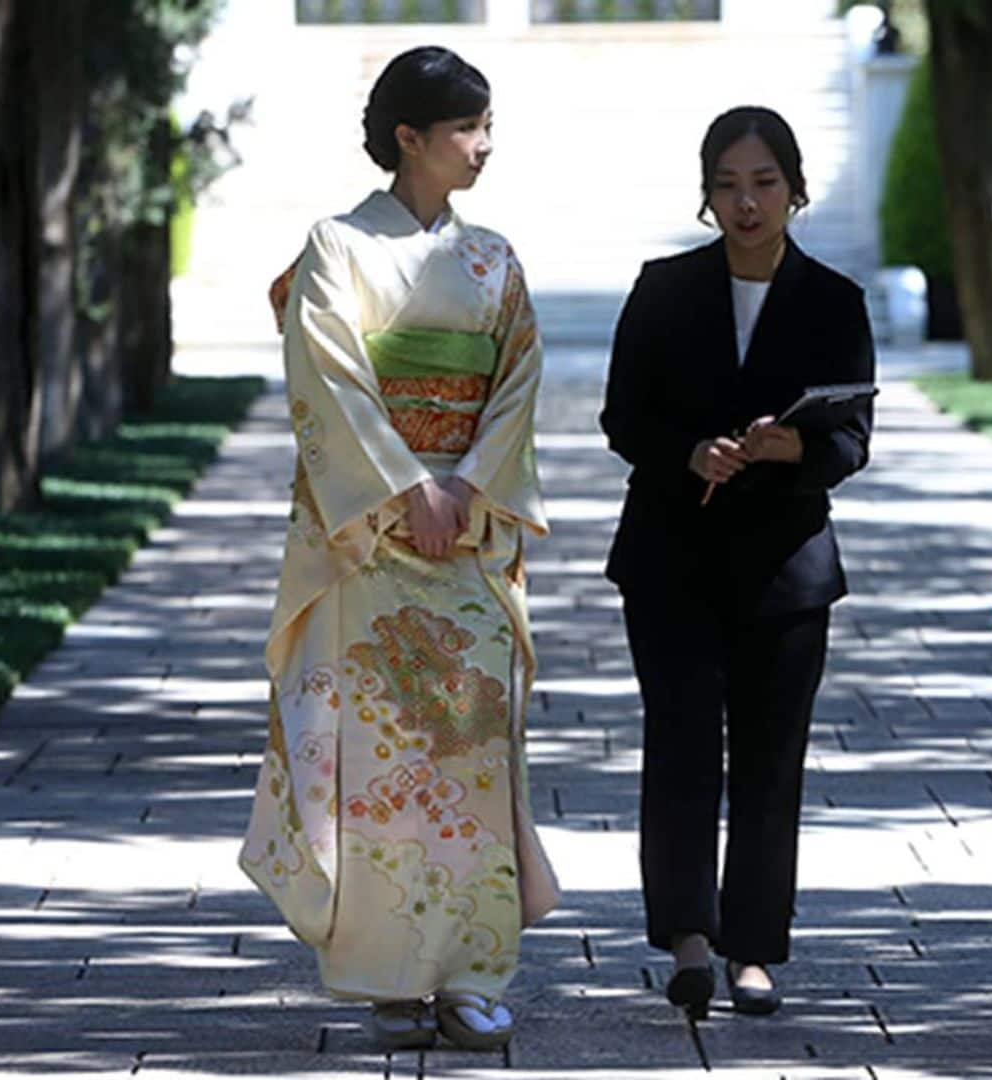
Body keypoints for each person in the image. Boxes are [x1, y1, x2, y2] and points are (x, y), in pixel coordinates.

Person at [241, 46, 558, 1053]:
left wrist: (464, 486)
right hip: (370, 543)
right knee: (376, 759)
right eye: (466, 128)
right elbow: (325, 375)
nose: (484, 144)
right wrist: (403, 485)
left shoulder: (494, 259)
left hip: (462, 532)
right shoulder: (335, 247)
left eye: (488, 122)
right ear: (409, 137)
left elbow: (516, 385)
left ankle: (469, 973)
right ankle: (384, 971)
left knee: (469, 753)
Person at [599, 106, 875, 1019]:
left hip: (786, 566)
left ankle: (754, 950)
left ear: (796, 191)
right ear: (706, 195)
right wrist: (691, 452)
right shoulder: (664, 286)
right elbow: (623, 418)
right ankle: (687, 936)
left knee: (770, 758)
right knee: (680, 745)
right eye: (727, 184)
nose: (745, 202)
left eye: (763, 183)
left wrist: (786, 451)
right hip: (670, 554)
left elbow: (853, 439)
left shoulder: (835, 299)